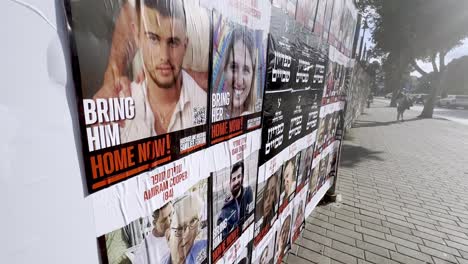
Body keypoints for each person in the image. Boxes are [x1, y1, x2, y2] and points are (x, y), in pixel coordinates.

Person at [95, 0, 208, 143]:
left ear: (185, 45)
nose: (164, 56)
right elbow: (131, 11)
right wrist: (113, 75)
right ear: (137, 36)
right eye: (153, 39)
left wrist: (179, 76)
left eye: (173, 42)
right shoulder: (119, 109)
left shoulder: (204, 104)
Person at [218, 27, 258, 119]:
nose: (239, 81)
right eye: (234, 67)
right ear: (225, 69)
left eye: (246, 70)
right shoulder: (212, 115)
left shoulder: (259, 119)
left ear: (253, 76)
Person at [162, 193, 207, 264]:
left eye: (193, 222)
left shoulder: (206, 248)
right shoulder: (161, 260)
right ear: (168, 236)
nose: (186, 234)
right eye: (180, 228)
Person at [216, 161, 254, 239]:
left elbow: (251, 213)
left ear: (242, 177)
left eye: (239, 176)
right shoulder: (224, 213)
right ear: (229, 183)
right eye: (233, 179)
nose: (236, 181)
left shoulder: (248, 192)